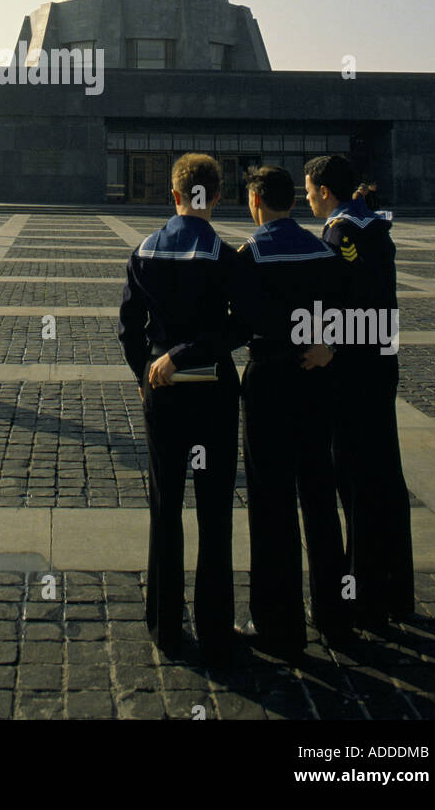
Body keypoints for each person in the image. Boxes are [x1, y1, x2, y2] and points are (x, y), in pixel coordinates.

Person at [118, 153, 240, 664]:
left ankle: (165, 625)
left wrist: (147, 371)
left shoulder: (143, 251)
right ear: (214, 197)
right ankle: (215, 625)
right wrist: (189, 354)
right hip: (213, 391)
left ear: (174, 196)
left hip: (163, 392)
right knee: (215, 510)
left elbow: (128, 327)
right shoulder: (228, 255)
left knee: (165, 507)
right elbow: (239, 328)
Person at [233, 166, 349, 662]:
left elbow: (236, 322)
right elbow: (350, 309)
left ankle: (279, 621)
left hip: (268, 380)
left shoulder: (250, 254)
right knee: (320, 494)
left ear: (257, 203)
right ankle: (333, 613)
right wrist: (331, 347)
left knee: (271, 501)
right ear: (293, 203)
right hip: (315, 377)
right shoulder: (324, 251)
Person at [305, 153, 414, 631]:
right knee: (385, 478)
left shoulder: (340, 232)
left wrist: (329, 347)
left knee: (356, 480)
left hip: (353, 374)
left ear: (325, 191)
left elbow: (346, 300)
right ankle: (394, 590)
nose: (306, 197)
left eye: (309, 190)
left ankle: (364, 594)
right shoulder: (374, 226)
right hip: (380, 364)